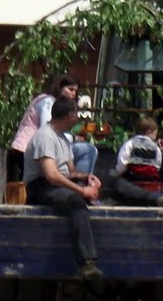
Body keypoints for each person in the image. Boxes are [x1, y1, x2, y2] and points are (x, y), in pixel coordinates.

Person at [25, 95, 104, 281]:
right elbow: (52, 175)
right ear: (69, 116)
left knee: (94, 194)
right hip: (40, 187)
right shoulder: (45, 136)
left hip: (56, 184)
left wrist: (86, 178)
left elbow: (71, 172)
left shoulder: (62, 138)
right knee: (76, 200)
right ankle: (87, 263)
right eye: (76, 114)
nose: (78, 118)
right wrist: (82, 191)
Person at [9, 75, 96, 180]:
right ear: (60, 88)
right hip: (27, 149)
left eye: (76, 91)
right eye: (70, 89)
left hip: (35, 149)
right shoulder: (48, 102)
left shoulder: (50, 101)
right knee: (88, 150)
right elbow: (47, 129)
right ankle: (81, 182)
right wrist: (73, 138)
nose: (74, 94)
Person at [107, 114, 163, 206]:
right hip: (152, 177)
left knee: (116, 182)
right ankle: (162, 195)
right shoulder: (156, 147)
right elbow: (158, 163)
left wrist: (117, 174)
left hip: (133, 176)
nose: (156, 136)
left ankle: (154, 197)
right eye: (155, 133)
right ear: (149, 131)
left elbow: (122, 161)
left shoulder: (130, 143)